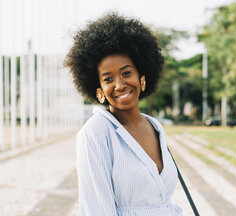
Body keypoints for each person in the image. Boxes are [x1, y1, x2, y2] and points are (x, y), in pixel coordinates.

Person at [64, 12, 183, 216]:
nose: (120, 85)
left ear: (142, 77)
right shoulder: (95, 134)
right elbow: (97, 211)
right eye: (108, 79)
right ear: (99, 89)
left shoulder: (155, 127)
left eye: (126, 73)